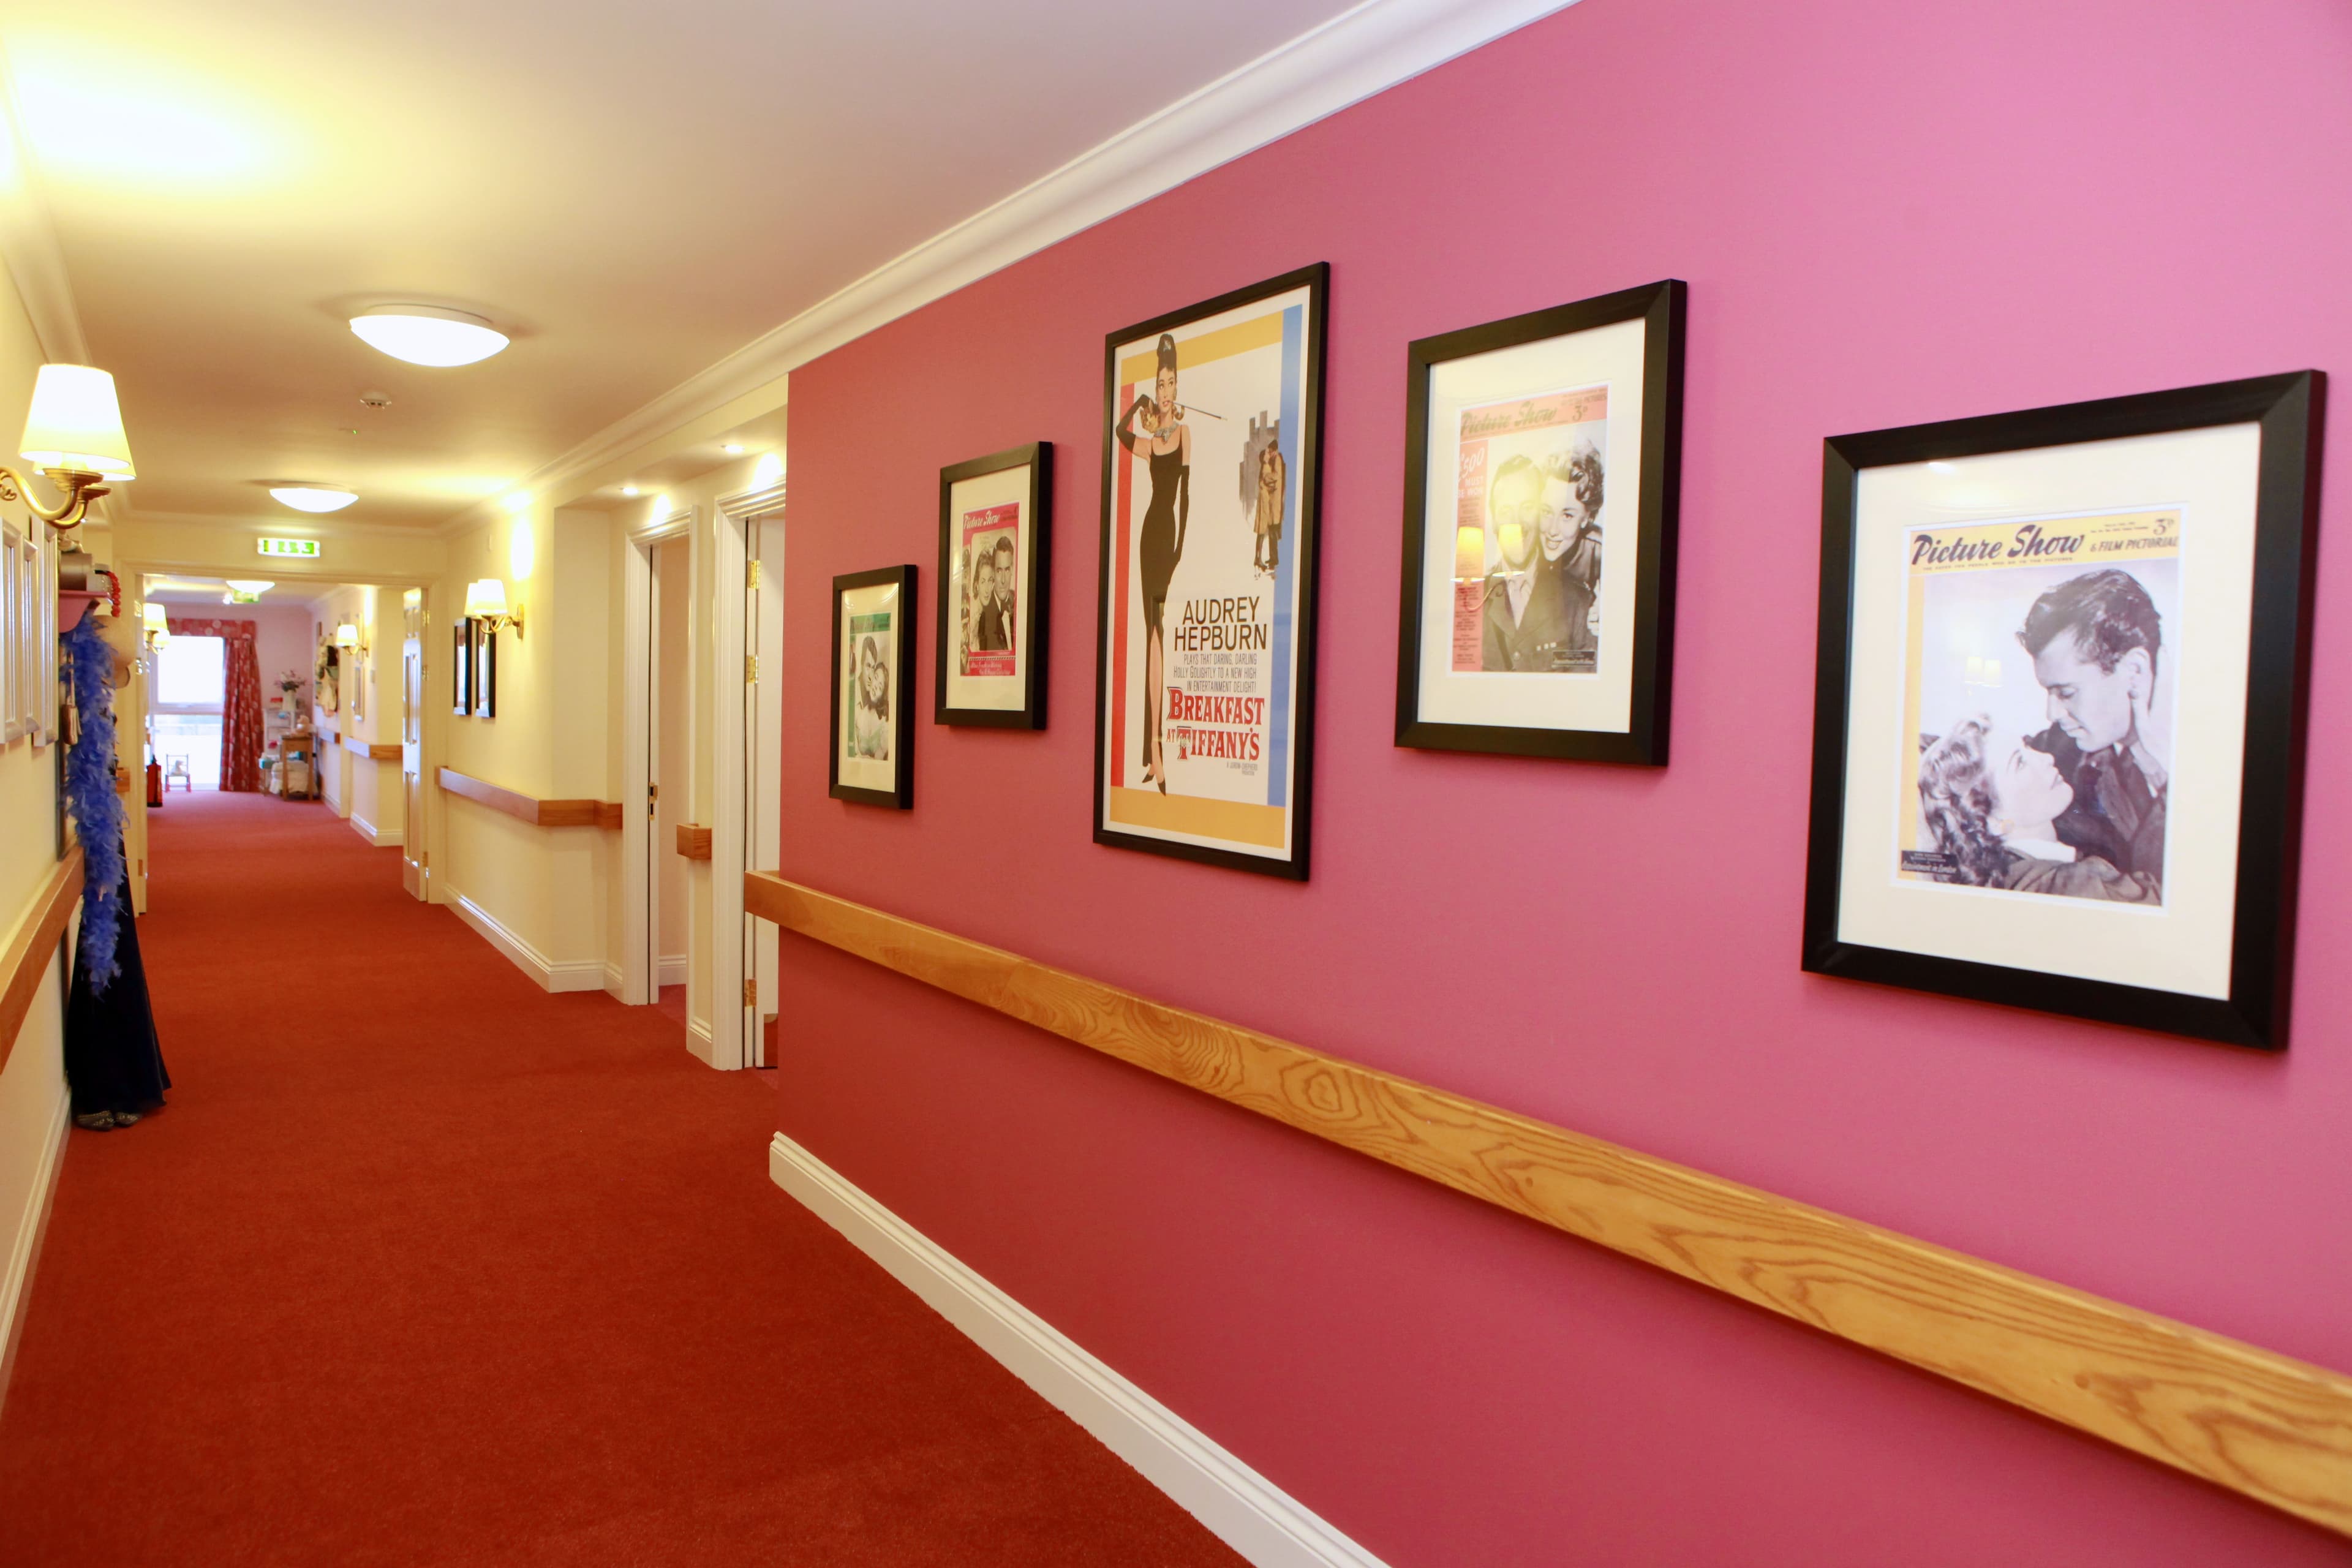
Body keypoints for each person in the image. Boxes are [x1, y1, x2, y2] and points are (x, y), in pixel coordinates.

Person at [2016, 570, 2167, 888]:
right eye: (2049, 693)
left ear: (2134, 671)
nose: (2052, 713)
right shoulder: (2063, 746)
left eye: (2067, 693)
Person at [1916, 717, 2155, 902]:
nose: (2047, 758)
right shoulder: (2069, 886)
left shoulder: (2019, 873)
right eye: (2020, 763)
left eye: (2028, 748)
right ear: (1991, 820)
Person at [1113, 333, 1189, 788]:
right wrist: (1137, 399)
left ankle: (1152, 750)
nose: (1165, 391)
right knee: (1152, 636)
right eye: (1160, 384)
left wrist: (1182, 549)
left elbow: (1188, 499)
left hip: (1169, 540)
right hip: (1148, 537)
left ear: (1177, 387)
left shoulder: (1182, 434)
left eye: (1170, 383)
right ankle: (1154, 753)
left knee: (1159, 636)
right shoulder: (1150, 441)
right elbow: (1120, 433)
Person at [1479, 456, 1576, 671]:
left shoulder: (1577, 602)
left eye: (1527, 507)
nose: (1517, 522)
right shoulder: (1472, 601)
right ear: (1494, 522)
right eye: (1506, 511)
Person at [1531, 440, 1604, 671]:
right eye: (1546, 512)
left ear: (1587, 518)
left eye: (1567, 516)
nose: (1552, 530)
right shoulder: (1526, 542)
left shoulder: (1600, 551)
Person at [851, 634, 891, 760]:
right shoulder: (856, 708)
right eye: (868, 666)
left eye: (881, 687)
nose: (875, 686)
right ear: (861, 665)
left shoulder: (885, 722)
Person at [1252, 439, 1286, 575]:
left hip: (1273, 502)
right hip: (1269, 502)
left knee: (1272, 531)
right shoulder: (1268, 463)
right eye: (1268, 452)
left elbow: (1276, 477)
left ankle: (1273, 560)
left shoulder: (1276, 459)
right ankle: (1271, 559)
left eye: (1270, 451)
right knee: (1270, 531)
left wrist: (1268, 480)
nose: (1269, 453)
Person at [973, 554, 1009, 652]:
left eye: (990, 581)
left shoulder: (989, 615)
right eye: (983, 582)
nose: (987, 590)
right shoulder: (972, 619)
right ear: (977, 585)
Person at [990, 534, 1017, 635]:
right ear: (993, 572)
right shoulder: (984, 609)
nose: (1003, 580)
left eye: (1007, 570)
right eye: (999, 571)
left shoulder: (1017, 600)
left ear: (1012, 569)